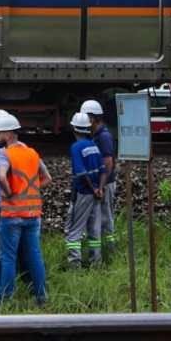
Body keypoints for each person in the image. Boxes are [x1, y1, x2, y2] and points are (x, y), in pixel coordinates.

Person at [0, 113, 51, 305]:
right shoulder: (32, 153)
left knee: (7, 257)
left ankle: (6, 299)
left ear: (9, 134)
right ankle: (41, 296)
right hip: (33, 214)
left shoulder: (5, 154)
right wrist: (30, 191)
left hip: (12, 214)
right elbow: (47, 178)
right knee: (35, 254)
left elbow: (1, 177)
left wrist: (10, 193)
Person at [64, 112, 105, 267]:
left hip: (83, 193)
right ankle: (96, 263)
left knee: (74, 230)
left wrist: (93, 189)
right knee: (94, 230)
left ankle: (74, 265)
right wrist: (99, 189)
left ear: (74, 128)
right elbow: (102, 170)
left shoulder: (76, 147)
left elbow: (81, 172)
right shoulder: (93, 145)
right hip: (96, 193)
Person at [82, 99, 117, 258]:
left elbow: (108, 162)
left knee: (106, 216)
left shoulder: (104, 137)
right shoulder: (95, 135)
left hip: (106, 183)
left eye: (86, 117)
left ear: (94, 117)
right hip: (101, 183)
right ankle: (103, 250)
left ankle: (110, 248)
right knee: (100, 217)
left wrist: (102, 185)